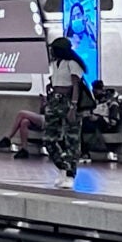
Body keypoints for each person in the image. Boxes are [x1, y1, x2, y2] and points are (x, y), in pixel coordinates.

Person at [43, 35, 87, 178]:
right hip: (55, 101)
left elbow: (75, 86)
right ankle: (62, 164)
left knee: (71, 139)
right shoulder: (55, 64)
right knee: (49, 138)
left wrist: (73, 107)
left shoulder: (72, 64)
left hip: (68, 101)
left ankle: (70, 172)